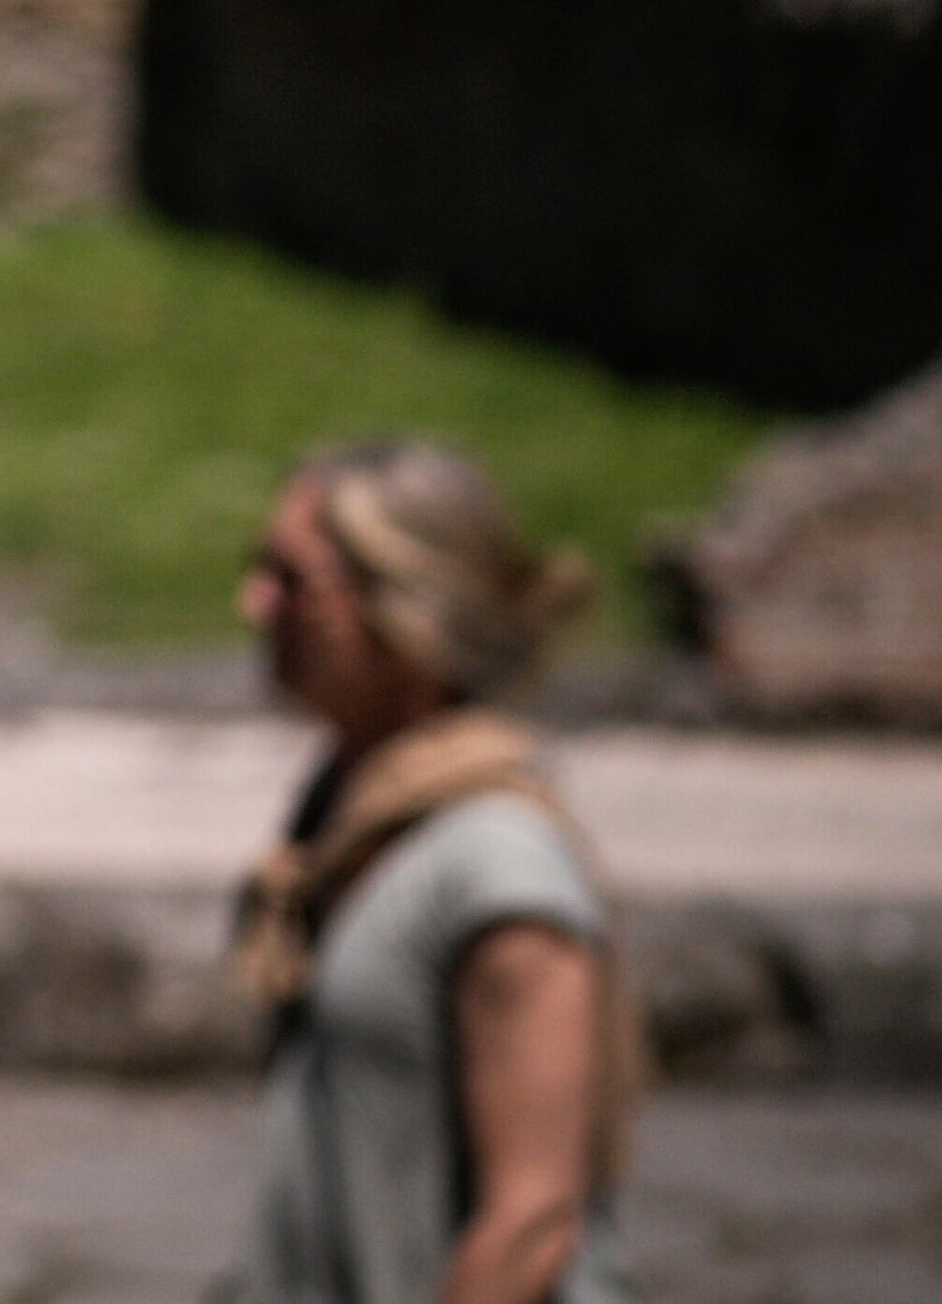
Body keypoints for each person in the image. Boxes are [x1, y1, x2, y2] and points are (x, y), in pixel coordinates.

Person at [231, 439, 643, 1304]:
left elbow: (532, 1222)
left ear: (407, 606)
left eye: (292, 579)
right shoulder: (342, 819)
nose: (254, 603)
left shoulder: (499, 867)